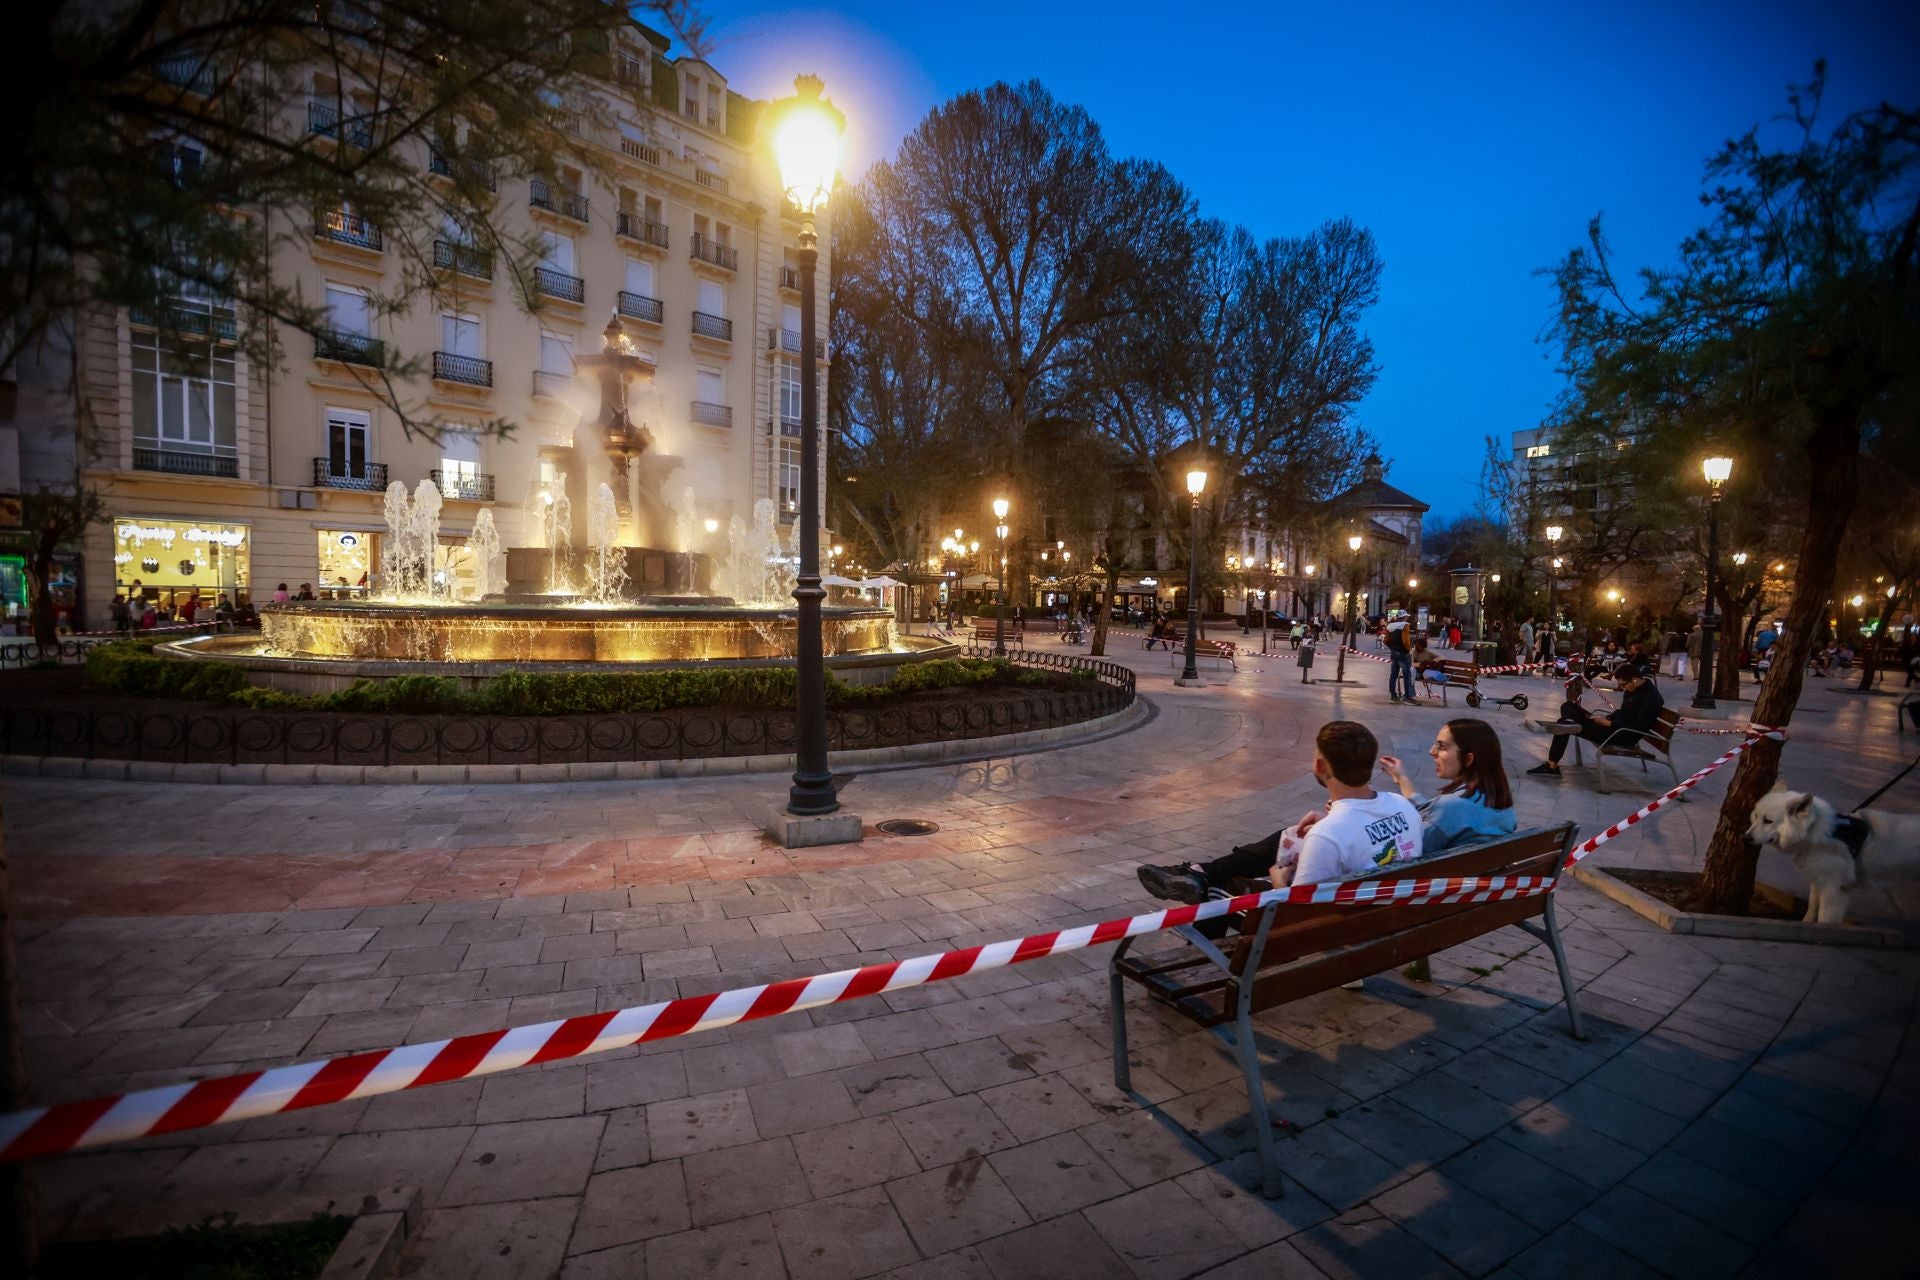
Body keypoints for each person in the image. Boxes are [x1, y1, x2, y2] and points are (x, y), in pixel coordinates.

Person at [1136, 721, 1421, 903]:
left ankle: (1207, 964)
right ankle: (1199, 873)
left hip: (1335, 933)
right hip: (1387, 921)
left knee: (1221, 889)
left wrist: (1278, 882)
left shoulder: (1328, 835)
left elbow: (1297, 915)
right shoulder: (1403, 807)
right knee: (1287, 837)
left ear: (1320, 766)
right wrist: (1330, 821)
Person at [1379, 718, 1518, 854]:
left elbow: (1413, 849)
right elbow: (1435, 815)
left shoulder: (1451, 806)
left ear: (1468, 759)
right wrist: (1402, 779)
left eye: (1441, 746)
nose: (1432, 751)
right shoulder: (1498, 800)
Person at [1528, 665, 1665, 777]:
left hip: (1621, 735)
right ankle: (1569, 722)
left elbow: (1638, 726)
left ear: (1634, 680)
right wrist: (1608, 718)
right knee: (1568, 706)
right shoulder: (1633, 689)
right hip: (1612, 727)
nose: (1621, 688)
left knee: (1562, 722)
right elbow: (1623, 713)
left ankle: (1552, 765)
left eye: (1622, 685)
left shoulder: (1652, 699)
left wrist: (1609, 723)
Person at [1384, 610, 1415, 704]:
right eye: (1406, 616)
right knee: (1407, 674)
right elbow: (1405, 641)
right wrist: (1408, 649)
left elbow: (1386, 640)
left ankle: (1393, 695)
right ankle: (1408, 697)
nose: (1407, 618)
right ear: (1404, 617)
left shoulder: (1390, 626)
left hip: (1394, 653)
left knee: (1393, 674)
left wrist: (1392, 649)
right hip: (1403, 653)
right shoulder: (1405, 625)